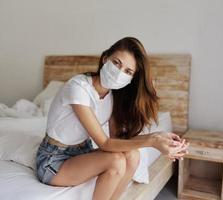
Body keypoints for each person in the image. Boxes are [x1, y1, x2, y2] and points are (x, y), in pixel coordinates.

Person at [35, 37, 189, 200]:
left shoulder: (113, 96)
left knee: (132, 155)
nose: (119, 73)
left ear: (131, 79)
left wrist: (159, 137)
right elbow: (105, 143)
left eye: (128, 71)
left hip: (82, 152)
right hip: (54, 160)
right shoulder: (78, 88)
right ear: (105, 58)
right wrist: (152, 141)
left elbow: (118, 140)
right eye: (117, 63)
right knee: (116, 161)